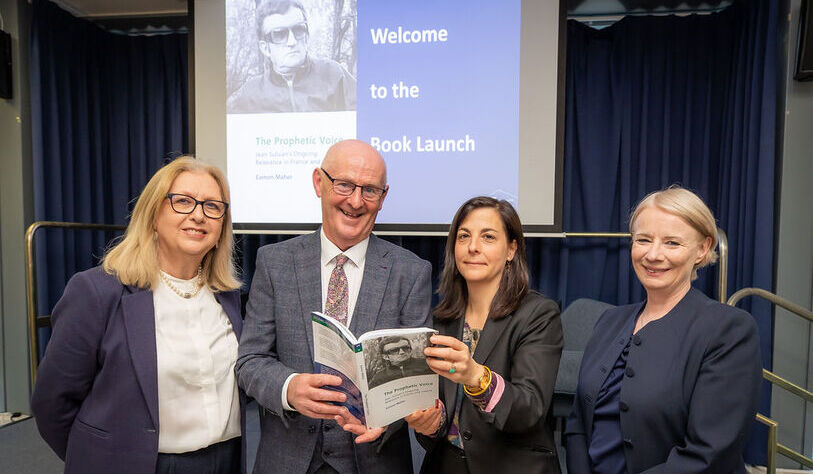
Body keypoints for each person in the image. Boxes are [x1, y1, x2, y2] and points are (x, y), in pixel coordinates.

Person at [31, 156, 245, 474]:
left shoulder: (229, 298)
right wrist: (101, 457)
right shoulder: (97, 292)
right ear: (153, 215)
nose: (199, 215)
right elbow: (52, 405)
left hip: (224, 461)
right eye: (183, 202)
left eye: (212, 207)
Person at [236, 139, 432, 474]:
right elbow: (250, 361)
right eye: (344, 185)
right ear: (319, 182)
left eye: (369, 190)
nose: (356, 201)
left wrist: (386, 420)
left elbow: (415, 385)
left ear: (383, 198)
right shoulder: (275, 262)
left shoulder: (411, 273)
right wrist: (289, 388)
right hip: (286, 460)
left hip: (375, 461)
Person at [564, 186, 763, 474]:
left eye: (672, 243)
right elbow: (578, 425)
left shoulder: (729, 330)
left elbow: (708, 453)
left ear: (703, 249)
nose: (653, 255)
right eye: (643, 240)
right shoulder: (609, 322)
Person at [403, 196, 564, 474]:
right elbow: (443, 416)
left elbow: (529, 410)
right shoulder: (441, 319)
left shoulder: (538, 314)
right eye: (463, 236)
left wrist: (476, 376)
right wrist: (430, 422)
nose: (473, 247)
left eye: (488, 237)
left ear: (511, 249)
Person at [227, 0, 356, 113]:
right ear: (265, 48)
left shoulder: (334, 75)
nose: (292, 41)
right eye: (279, 34)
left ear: (307, 36)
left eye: (298, 30)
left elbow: (369, 115)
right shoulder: (250, 94)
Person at [367, 336, 432, 389]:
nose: (402, 352)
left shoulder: (426, 364)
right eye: (394, 350)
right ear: (385, 356)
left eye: (405, 348)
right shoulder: (379, 377)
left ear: (410, 350)